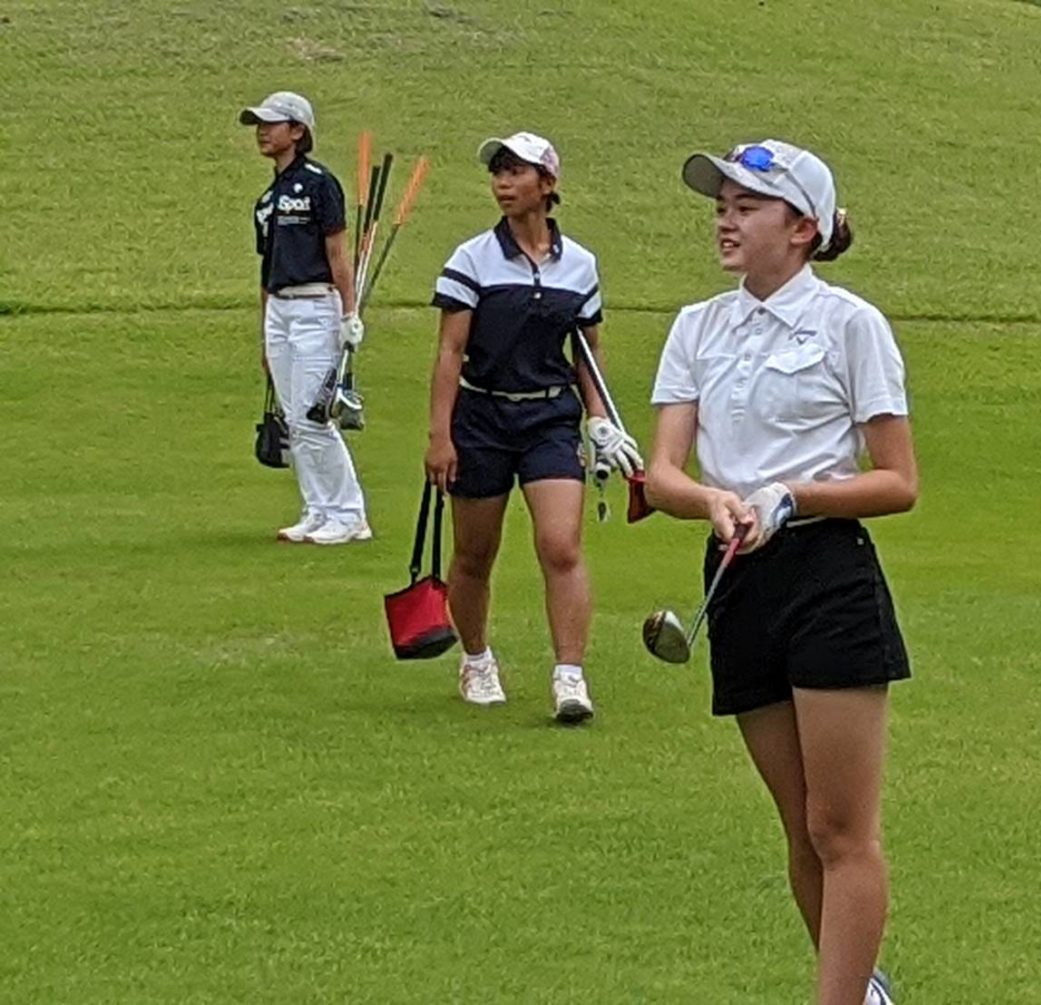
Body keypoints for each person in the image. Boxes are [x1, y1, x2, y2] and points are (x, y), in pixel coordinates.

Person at [645, 139, 916, 1005]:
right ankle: (863, 993)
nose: (725, 220)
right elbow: (663, 473)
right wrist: (710, 500)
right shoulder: (697, 326)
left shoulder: (850, 325)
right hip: (736, 577)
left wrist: (793, 495)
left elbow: (897, 480)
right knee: (801, 827)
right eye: (721, 206)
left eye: (747, 206)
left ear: (802, 228)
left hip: (827, 574)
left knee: (841, 828)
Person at [423, 131, 640, 724]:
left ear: (547, 184)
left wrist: (599, 419)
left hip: (549, 417)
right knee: (475, 553)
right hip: (481, 417)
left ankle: (570, 676)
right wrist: (440, 436)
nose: (503, 183)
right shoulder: (472, 258)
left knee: (561, 545)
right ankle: (476, 659)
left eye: (516, 172)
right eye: (498, 172)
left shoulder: (580, 265)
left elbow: (587, 350)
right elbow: (450, 351)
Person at [241, 91, 371, 545]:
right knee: (295, 419)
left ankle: (349, 514)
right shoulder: (266, 200)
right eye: (259, 124)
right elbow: (267, 269)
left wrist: (349, 312)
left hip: (317, 304)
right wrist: (265, 333)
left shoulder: (319, 184)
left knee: (315, 418)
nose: (262, 132)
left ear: (297, 131)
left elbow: (338, 254)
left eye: (271, 124)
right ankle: (317, 509)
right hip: (280, 310)